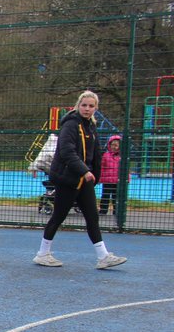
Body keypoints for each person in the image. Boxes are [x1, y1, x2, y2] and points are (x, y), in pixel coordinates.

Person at [33, 91, 127, 269]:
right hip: (68, 178)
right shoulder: (71, 124)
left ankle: (103, 256)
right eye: (84, 105)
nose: (87, 108)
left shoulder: (90, 126)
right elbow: (67, 151)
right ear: (78, 105)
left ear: (95, 108)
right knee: (58, 216)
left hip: (84, 180)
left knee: (92, 216)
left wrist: (94, 176)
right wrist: (84, 171)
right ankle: (42, 254)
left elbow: (95, 154)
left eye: (91, 106)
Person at [98, 134, 122, 216]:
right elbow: (102, 167)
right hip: (107, 180)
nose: (114, 147)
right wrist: (99, 178)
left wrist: (127, 179)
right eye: (112, 145)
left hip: (117, 180)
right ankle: (103, 210)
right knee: (105, 196)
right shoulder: (105, 155)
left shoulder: (121, 156)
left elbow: (125, 168)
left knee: (116, 197)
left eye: (116, 145)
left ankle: (117, 211)